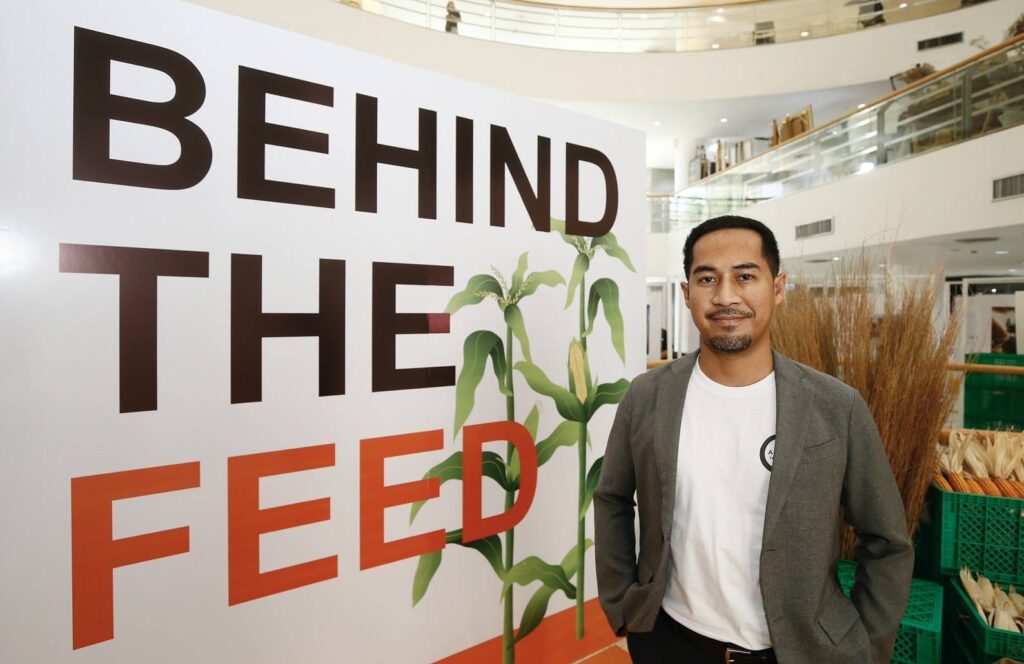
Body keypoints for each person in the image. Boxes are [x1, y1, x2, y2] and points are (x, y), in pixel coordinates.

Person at [594, 215, 913, 664]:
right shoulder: (647, 396)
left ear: (777, 288)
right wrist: (622, 604)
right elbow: (611, 498)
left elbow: (887, 541)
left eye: (745, 277)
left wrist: (867, 647)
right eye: (708, 279)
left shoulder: (835, 407)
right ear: (687, 293)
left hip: (799, 652)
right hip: (669, 644)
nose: (726, 296)